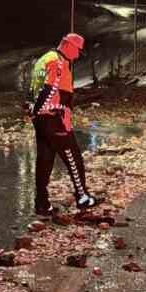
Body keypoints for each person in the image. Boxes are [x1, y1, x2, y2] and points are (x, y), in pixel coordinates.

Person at [28, 33, 100, 215]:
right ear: (69, 46)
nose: (77, 56)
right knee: (73, 156)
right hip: (54, 119)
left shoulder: (45, 58)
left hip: (41, 121)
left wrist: (34, 113)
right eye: (77, 51)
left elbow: (33, 90)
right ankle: (82, 197)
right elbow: (48, 90)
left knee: (45, 159)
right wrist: (46, 110)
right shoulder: (58, 62)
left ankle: (42, 203)